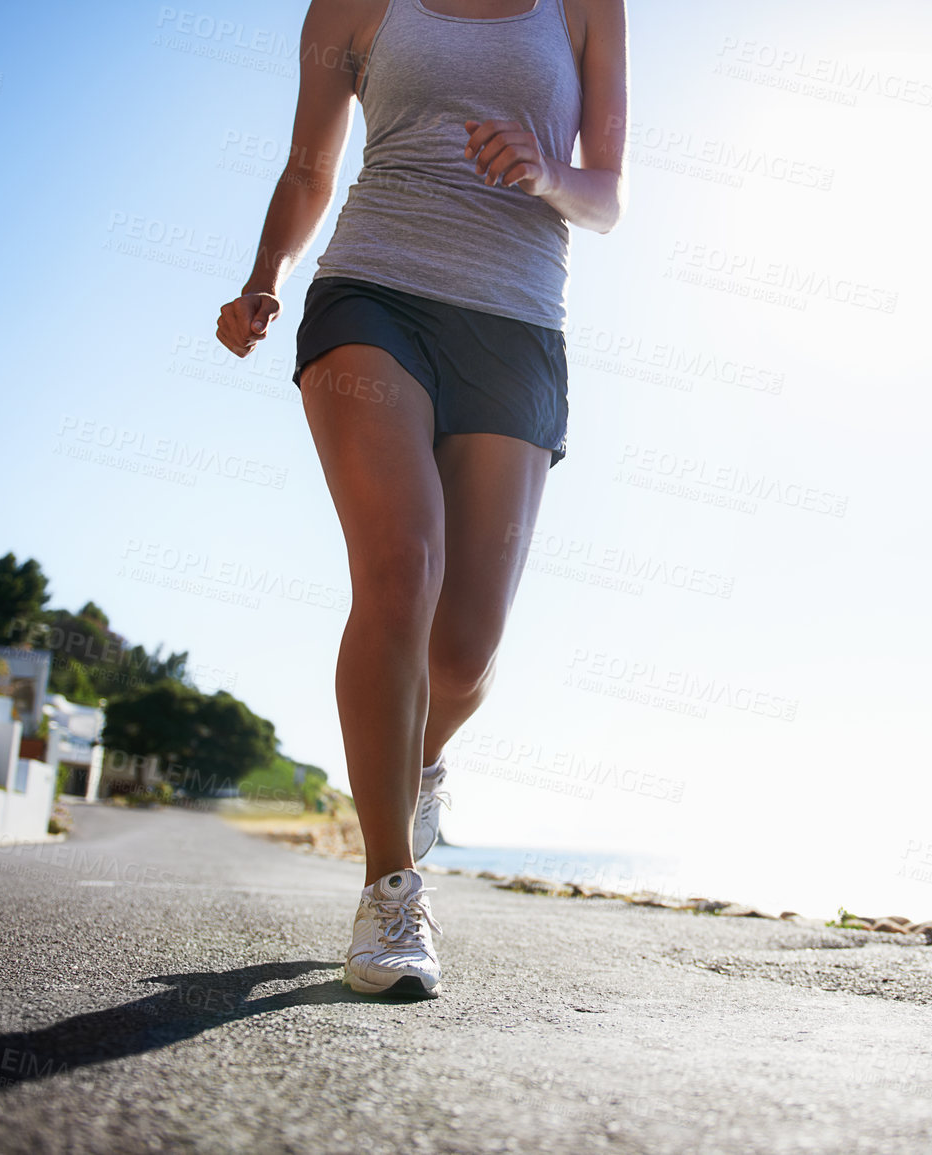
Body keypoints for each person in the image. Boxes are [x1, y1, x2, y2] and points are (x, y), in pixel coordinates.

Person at [214, 0, 628, 997]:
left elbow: (606, 195)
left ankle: (424, 755)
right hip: (375, 290)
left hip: (517, 322)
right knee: (401, 567)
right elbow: (311, 165)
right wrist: (265, 275)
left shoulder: (589, 8)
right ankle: (389, 888)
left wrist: (541, 171)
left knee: (465, 651)